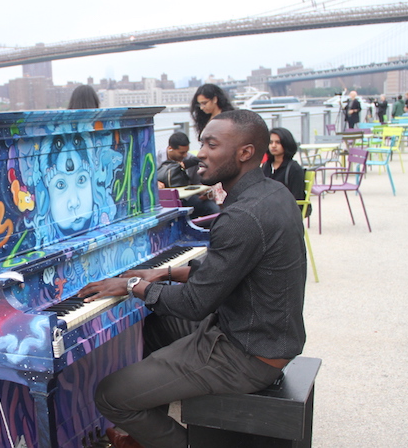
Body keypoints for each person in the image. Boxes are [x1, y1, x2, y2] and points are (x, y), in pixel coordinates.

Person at [79, 109, 306, 448]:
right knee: (157, 327)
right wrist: (167, 271)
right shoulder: (272, 194)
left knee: (109, 396)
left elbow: (195, 304)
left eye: (212, 145)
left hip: (246, 354)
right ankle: (144, 435)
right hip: (261, 334)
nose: (200, 153)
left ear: (245, 152)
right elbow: (229, 271)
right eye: (202, 143)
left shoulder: (242, 216)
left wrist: (131, 285)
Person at [156, 131, 219, 218]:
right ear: (170, 148)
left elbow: (197, 183)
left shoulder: (190, 159)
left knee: (212, 208)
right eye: (182, 153)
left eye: (186, 152)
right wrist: (155, 182)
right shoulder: (155, 158)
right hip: (162, 199)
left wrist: (205, 193)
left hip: (186, 198)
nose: (185, 155)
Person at [190, 84, 234, 205]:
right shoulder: (206, 120)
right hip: (211, 165)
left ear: (215, 99)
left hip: (225, 163)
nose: (202, 107)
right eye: (200, 104)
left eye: (205, 103)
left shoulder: (230, 118)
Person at [261, 127, 305, 203]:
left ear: (286, 144)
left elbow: (297, 197)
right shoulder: (266, 166)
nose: (273, 146)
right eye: (271, 142)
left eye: (278, 142)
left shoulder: (294, 169)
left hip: (287, 210)